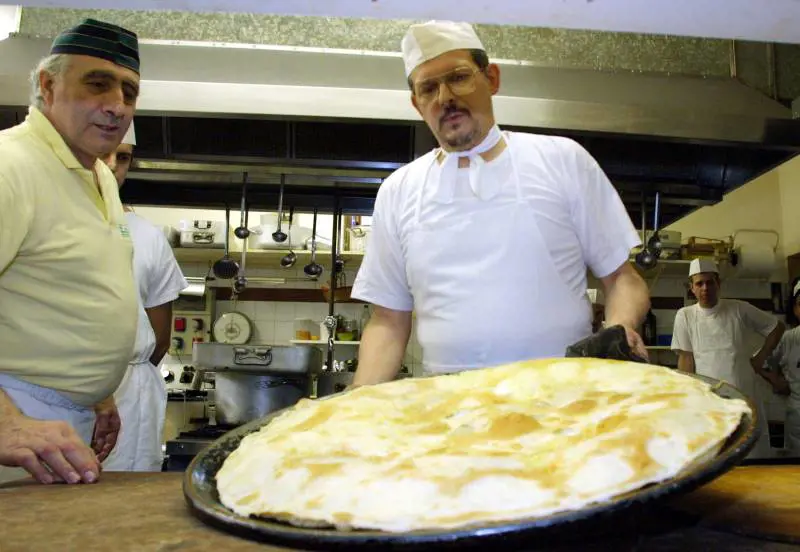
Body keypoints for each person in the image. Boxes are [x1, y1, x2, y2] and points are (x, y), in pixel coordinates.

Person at [350, 21, 650, 386]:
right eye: (428, 88)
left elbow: (622, 279)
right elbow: (387, 322)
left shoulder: (561, 159)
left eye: (458, 77)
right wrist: (357, 403)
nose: (445, 97)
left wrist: (621, 327)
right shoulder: (398, 190)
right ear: (417, 104)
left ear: (491, 78)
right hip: (447, 403)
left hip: (562, 394)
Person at [0, 18, 141, 485]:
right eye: (97, 85)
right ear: (48, 85)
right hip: (16, 416)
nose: (116, 106)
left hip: (60, 420)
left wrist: (95, 391)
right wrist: (6, 423)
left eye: (128, 92)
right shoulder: (11, 166)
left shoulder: (99, 176)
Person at [100, 123, 188, 472]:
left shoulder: (148, 237)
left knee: (125, 504)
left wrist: (119, 378)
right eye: (103, 153)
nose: (110, 166)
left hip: (130, 396)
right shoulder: (45, 218)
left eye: (122, 158)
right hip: (55, 389)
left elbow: (160, 340)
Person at [671, 258, 785, 457]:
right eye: (699, 283)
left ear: (719, 284)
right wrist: (687, 398)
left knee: (752, 454)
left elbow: (776, 327)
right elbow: (686, 359)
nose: (705, 288)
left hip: (744, 396)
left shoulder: (739, 309)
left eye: (710, 282)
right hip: (710, 399)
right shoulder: (685, 316)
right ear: (692, 288)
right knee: (717, 455)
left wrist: (760, 358)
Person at [763, 280, 800, 453]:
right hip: (797, 419)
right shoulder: (789, 339)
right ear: (795, 309)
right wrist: (776, 380)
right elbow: (762, 363)